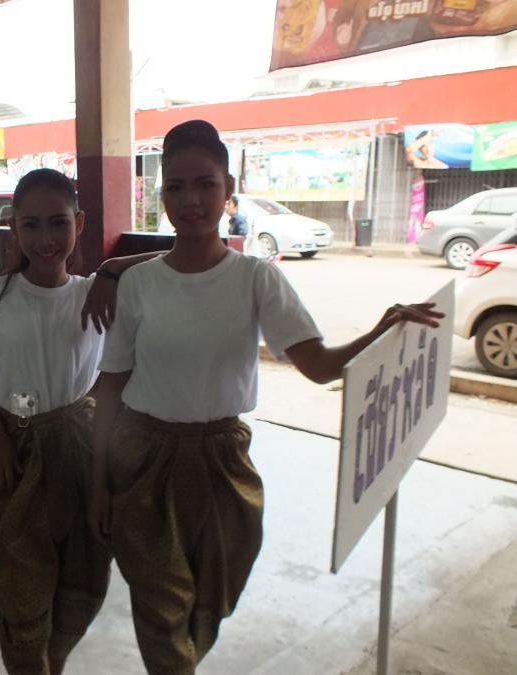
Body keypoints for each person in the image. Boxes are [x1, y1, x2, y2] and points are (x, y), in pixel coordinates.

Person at [88, 120, 443, 674]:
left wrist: (382, 330)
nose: (191, 199)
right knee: (160, 609)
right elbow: (109, 387)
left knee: (210, 603)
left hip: (223, 461)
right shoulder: (138, 283)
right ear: (162, 195)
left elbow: (318, 367)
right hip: (142, 458)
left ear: (228, 189)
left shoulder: (256, 279)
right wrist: (98, 483)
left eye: (205, 184)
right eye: (176, 186)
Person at [0, 168, 157, 675]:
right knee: (22, 584)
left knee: (84, 579)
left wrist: (112, 268)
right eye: (31, 225)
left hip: (83, 448)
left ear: (80, 223)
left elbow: (181, 252)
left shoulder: (96, 292)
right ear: (13, 227)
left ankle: (56, 659)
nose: (45, 239)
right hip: (14, 451)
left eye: (59, 222)